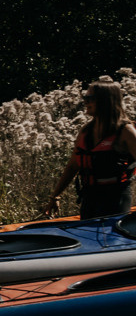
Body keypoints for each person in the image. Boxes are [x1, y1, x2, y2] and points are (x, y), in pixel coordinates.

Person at [45, 81, 136, 220]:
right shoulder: (86, 131)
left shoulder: (126, 131)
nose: (86, 102)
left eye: (90, 98)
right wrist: (55, 196)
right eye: (85, 98)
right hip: (90, 197)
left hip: (116, 198)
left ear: (106, 101)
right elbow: (72, 166)